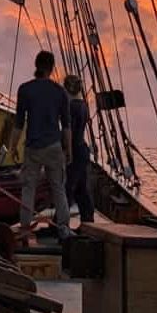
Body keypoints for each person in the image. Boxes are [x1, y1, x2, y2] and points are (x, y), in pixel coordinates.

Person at [7, 50, 72, 242]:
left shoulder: (25, 90)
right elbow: (66, 126)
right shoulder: (60, 92)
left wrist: (12, 147)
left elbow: (19, 123)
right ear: (51, 68)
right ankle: (64, 228)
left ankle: (25, 227)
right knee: (58, 188)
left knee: (28, 188)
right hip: (53, 146)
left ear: (36, 66)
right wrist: (68, 150)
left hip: (33, 147)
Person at [63, 74, 95, 224]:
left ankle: (60, 223)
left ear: (68, 88)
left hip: (75, 151)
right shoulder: (83, 105)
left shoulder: (70, 107)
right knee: (82, 189)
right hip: (83, 150)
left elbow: (69, 131)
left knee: (68, 188)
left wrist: (66, 151)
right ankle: (88, 221)